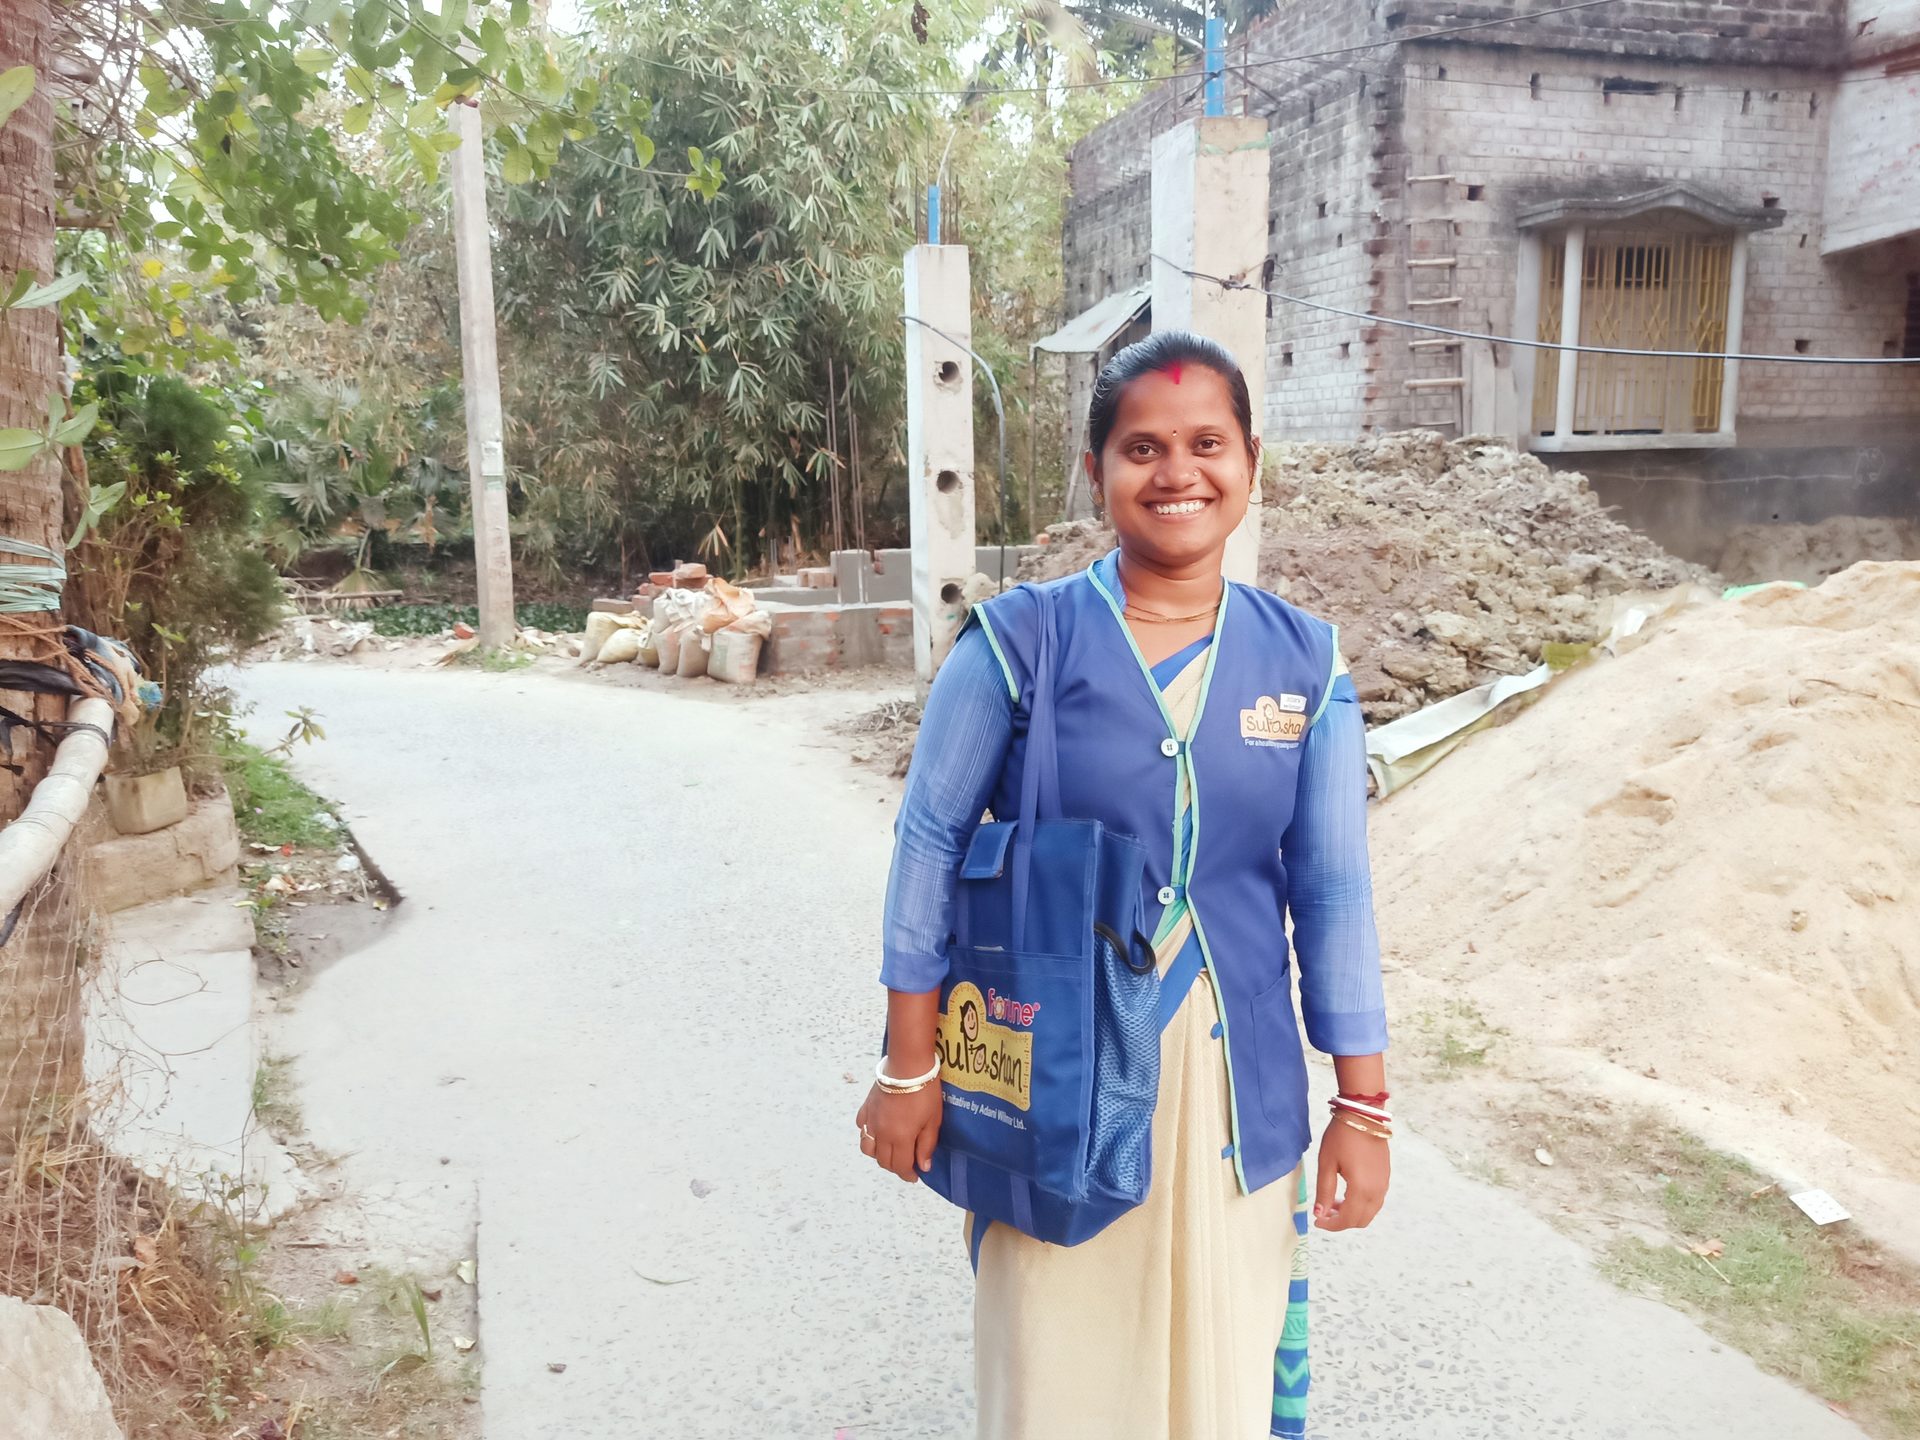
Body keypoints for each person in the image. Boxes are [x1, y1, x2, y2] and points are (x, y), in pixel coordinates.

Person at [858, 330, 1390, 1439]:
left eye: (1208, 442)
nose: (1177, 472)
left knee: (1217, 1367)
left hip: (1234, 1084)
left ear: (1251, 462)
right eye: (1142, 446)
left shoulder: (1306, 665)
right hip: (1053, 1070)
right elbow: (928, 847)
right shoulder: (1018, 644)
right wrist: (909, 1070)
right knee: (1061, 1366)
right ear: (1099, 470)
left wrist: (1362, 1106)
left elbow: (1334, 894)